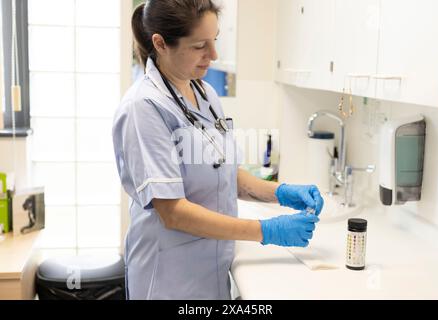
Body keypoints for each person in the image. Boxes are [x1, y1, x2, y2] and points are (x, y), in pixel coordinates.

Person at [112, 0, 324, 300]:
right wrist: (267, 231)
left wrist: (281, 192)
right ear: (160, 43)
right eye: (200, 45)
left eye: (214, 41)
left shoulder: (205, 93)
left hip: (210, 270)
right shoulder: (143, 108)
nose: (213, 55)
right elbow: (172, 212)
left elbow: (224, 172)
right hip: (168, 278)